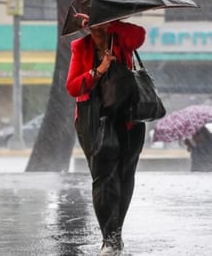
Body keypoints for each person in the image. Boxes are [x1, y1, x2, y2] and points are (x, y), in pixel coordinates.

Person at [65, 13, 146, 255]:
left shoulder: (122, 39)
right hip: (93, 119)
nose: (95, 31)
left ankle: (116, 233)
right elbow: (72, 86)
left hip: (128, 118)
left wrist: (112, 23)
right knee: (103, 178)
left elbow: (140, 35)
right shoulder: (80, 47)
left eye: (99, 24)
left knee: (124, 176)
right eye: (92, 26)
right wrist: (98, 71)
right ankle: (109, 239)